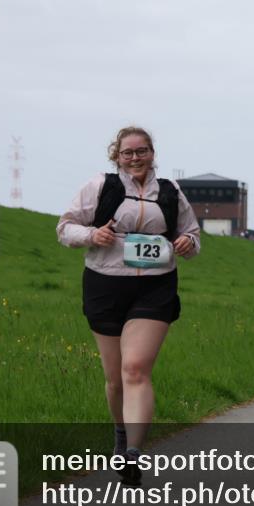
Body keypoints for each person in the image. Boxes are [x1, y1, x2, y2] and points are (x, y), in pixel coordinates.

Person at [57, 126, 201, 487]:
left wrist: (186, 242)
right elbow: (65, 228)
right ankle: (121, 436)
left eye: (142, 151)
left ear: (153, 153)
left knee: (136, 368)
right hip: (104, 284)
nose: (135, 158)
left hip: (155, 287)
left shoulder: (170, 191)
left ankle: (134, 452)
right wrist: (93, 235)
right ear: (116, 156)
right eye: (128, 153)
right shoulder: (100, 186)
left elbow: (193, 235)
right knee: (115, 376)